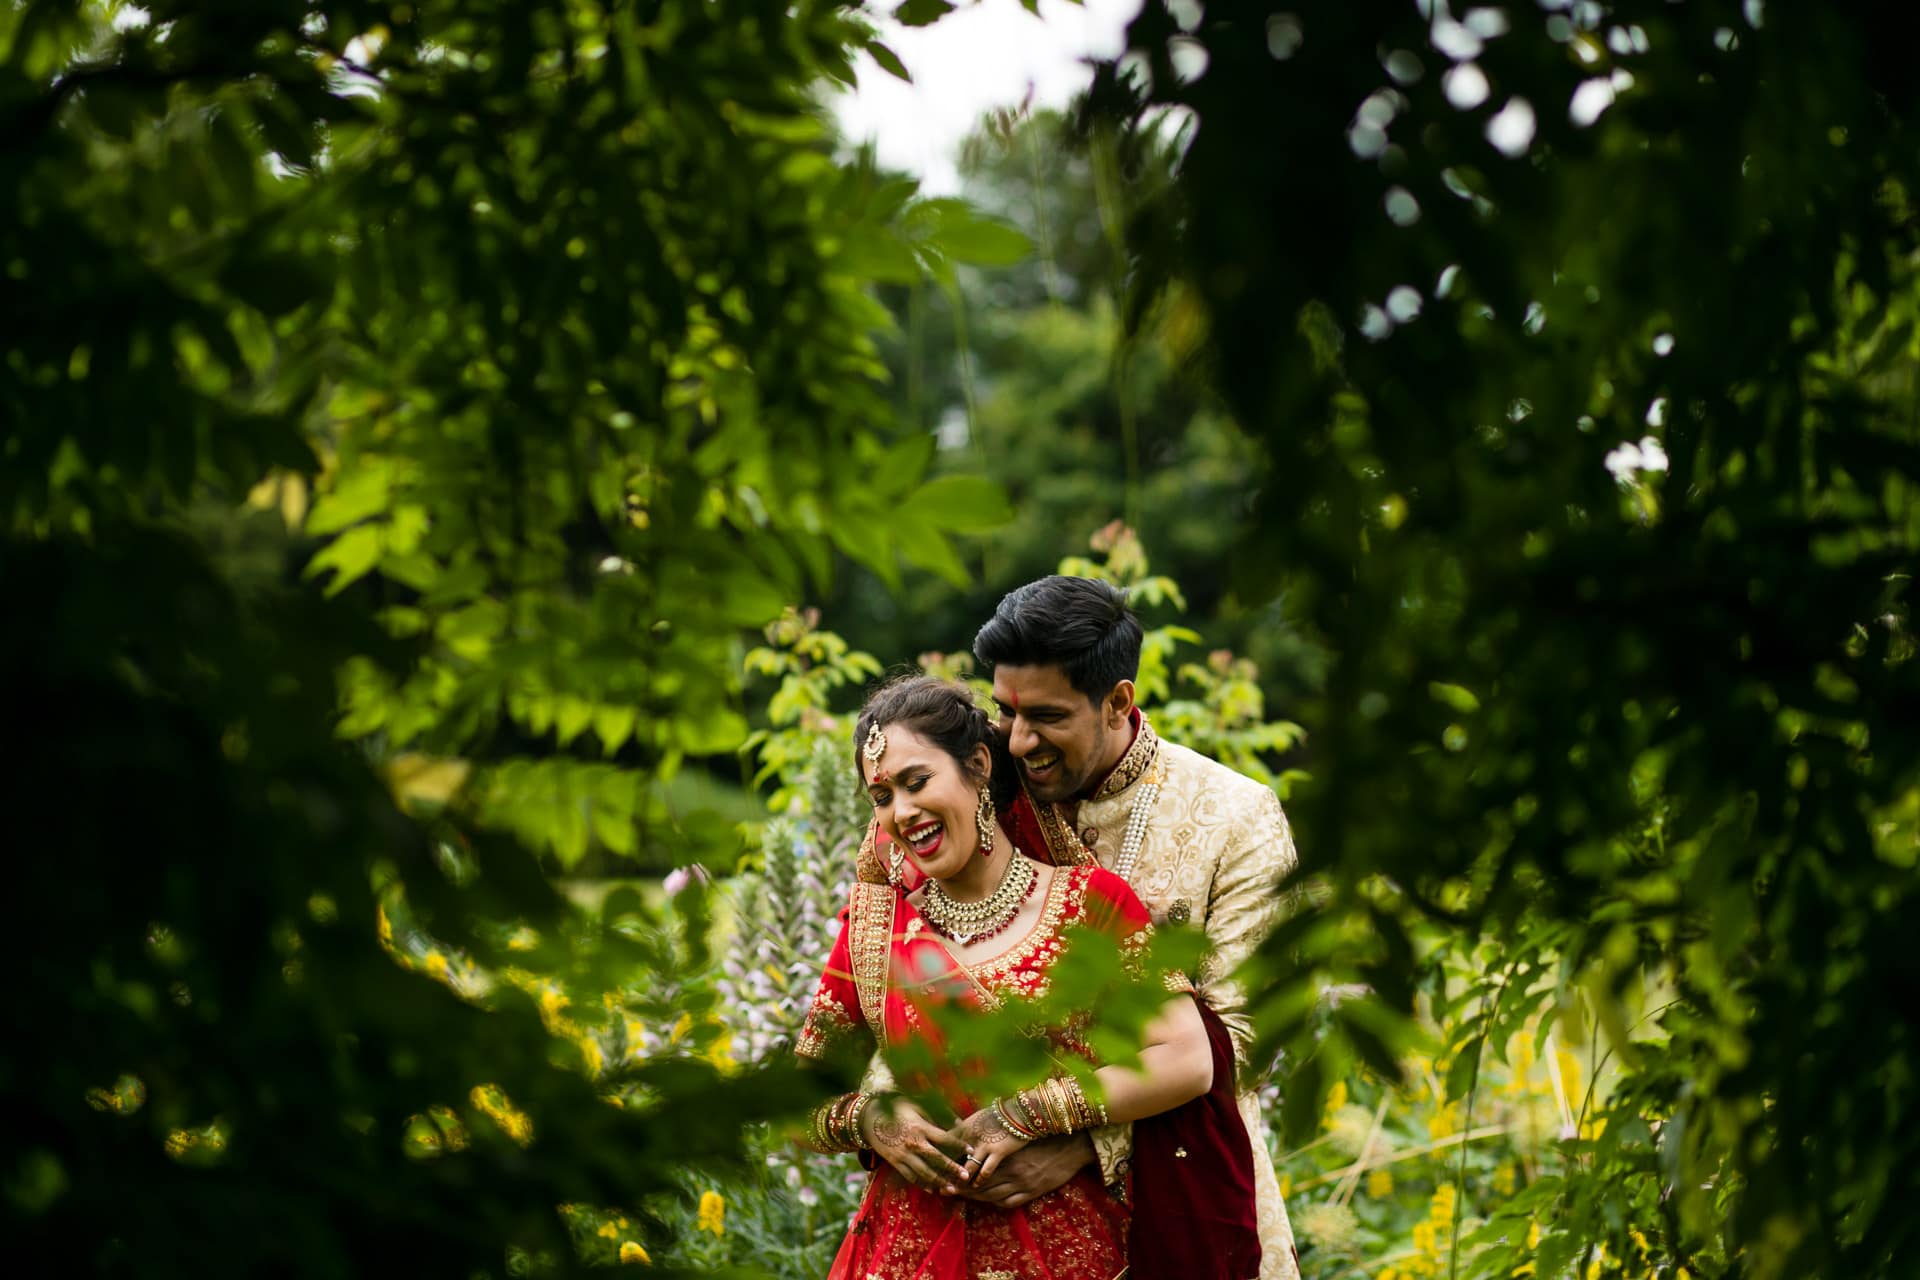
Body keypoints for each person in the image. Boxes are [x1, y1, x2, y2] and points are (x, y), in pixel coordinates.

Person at [796, 675, 1259, 1280]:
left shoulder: (1088, 904)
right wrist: (870, 1120)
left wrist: (1026, 1115)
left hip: (1067, 1250)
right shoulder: (875, 926)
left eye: (917, 781)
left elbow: (1187, 1059)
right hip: (906, 1252)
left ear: (979, 766)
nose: (902, 812)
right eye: (881, 797)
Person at [966, 574, 1302, 1279]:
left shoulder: (1235, 817)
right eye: (1006, 712)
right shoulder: (980, 795)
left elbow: (1245, 1040)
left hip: (1183, 1196)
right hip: (997, 1208)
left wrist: (1081, 1140)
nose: (1020, 742)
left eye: (1049, 717)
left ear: (1119, 701)